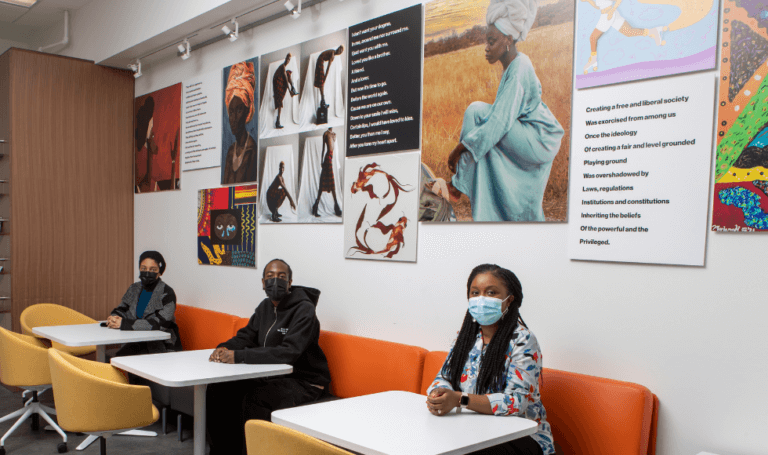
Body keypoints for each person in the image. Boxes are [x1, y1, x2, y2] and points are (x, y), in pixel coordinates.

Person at [445, 0, 564, 222]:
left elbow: (499, 122)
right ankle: (467, 191)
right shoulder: (515, 64)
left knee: (476, 113)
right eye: (486, 41)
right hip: (531, 135)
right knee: (485, 137)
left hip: (538, 138)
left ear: (508, 40)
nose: (486, 47)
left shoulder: (519, 68)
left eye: (491, 41)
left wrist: (460, 149)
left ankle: (457, 186)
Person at [426, 264, 555, 455]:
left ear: (509, 300)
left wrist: (460, 399)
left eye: (491, 292)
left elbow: (516, 402)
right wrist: (439, 393)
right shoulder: (465, 337)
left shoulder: (523, 339)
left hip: (520, 436)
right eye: (475, 293)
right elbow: (443, 377)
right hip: (471, 429)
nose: (481, 299)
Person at [206, 259, 330, 455]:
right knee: (219, 388)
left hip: (304, 380)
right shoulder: (265, 307)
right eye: (270, 277)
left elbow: (289, 352)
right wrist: (225, 348)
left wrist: (239, 356)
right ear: (263, 283)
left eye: (281, 277)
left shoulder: (304, 310)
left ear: (289, 282)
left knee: (256, 399)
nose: (275, 281)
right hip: (272, 375)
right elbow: (246, 335)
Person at [107, 251, 181, 356]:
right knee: (115, 358)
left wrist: (124, 324)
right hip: (135, 341)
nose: (147, 272)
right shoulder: (134, 288)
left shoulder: (167, 293)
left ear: (160, 271)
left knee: (120, 358)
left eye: (153, 269)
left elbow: (160, 324)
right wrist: (114, 318)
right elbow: (122, 309)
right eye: (143, 268)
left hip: (161, 345)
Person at [580, 0, 665, 74]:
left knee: (593, 38)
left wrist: (611, 11)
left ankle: (593, 60)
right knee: (629, 32)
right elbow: (598, 6)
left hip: (607, 16)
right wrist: (589, 1)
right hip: (609, 14)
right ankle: (652, 31)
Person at [223, 61, 258, 184]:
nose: (233, 118)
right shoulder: (230, 152)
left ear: (247, 110)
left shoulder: (252, 151)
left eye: (239, 110)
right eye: (231, 112)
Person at [312, 127, 342, 217]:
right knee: (331, 183)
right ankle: (336, 207)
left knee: (324, 183)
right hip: (327, 159)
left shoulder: (333, 134)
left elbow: (334, 147)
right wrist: (321, 161)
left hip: (330, 159)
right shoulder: (325, 133)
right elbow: (323, 149)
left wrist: (334, 137)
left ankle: (316, 206)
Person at [272, 53, 299, 129]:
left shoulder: (284, 68)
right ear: (285, 58)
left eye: (289, 59)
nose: (288, 60)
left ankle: (293, 88)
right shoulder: (282, 67)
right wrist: (289, 91)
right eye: (287, 58)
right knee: (280, 102)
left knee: (288, 73)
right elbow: (286, 79)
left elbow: (287, 77)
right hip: (276, 83)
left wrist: (292, 86)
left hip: (279, 81)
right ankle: (278, 122)